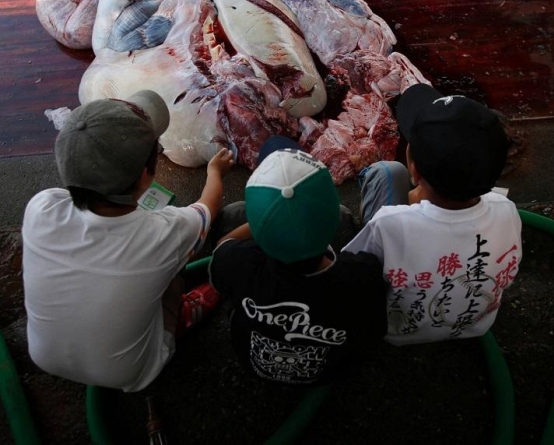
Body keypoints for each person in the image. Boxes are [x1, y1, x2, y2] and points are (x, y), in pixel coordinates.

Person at [22, 90, 234, 392]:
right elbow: (208, 207)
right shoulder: (163, 234)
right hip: (133, 374)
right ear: (146, 175)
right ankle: (182, 316)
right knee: (176, 262)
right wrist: (215, 171)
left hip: (44, 357)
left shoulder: (40, 207)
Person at [343, 84, 522, 346]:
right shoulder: (506, 209)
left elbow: (351, 277)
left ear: (414, 170)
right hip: (474, 326)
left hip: (394, 332)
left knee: (387, 172)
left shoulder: (389, 224)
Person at [209, 138, 387, 385]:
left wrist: (268, 217)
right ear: (332, 220)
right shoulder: (362, 275)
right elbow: (373, 333)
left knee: (231, 213)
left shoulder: (240, 263)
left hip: (252, 365)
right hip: (329, 370)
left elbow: (222, 247)